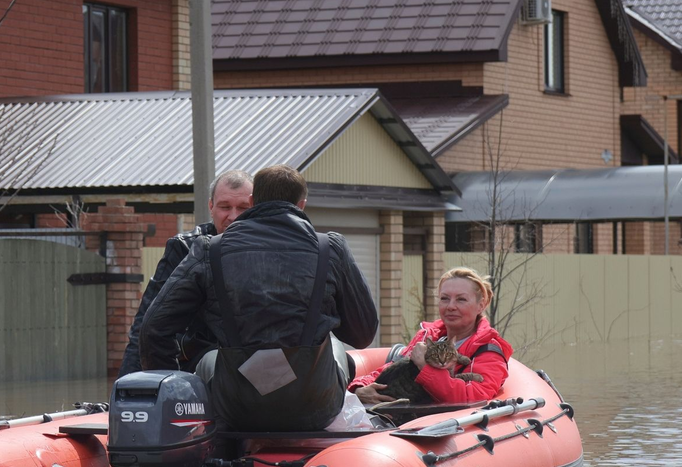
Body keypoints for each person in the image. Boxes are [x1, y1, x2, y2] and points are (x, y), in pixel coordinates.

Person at [139, 164, 378, 431]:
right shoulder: (330, 248)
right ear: (301, 205)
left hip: (236, 408)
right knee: (336, 348)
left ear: (252, 202)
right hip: (315, 407)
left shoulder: (210, 250)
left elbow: (152, 329)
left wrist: (175, 396)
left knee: (210, 358)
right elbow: (362, 335)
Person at [118, 169, 253, 377]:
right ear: (211, 207)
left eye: (243, 208)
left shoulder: (271, 251)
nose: (233, 217)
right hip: (197, 366)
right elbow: (146, 325)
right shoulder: (183, 249)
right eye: (225, 207)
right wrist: (126, 390)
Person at [349, 268, 512, 405]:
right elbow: (394, 368)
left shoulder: (488, 350)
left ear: (481, 305)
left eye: (461, 299)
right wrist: (359, 388)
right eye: (444, 299)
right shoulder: (429, 336)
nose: (451, 306)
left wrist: (425, 368)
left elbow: (473, 397)